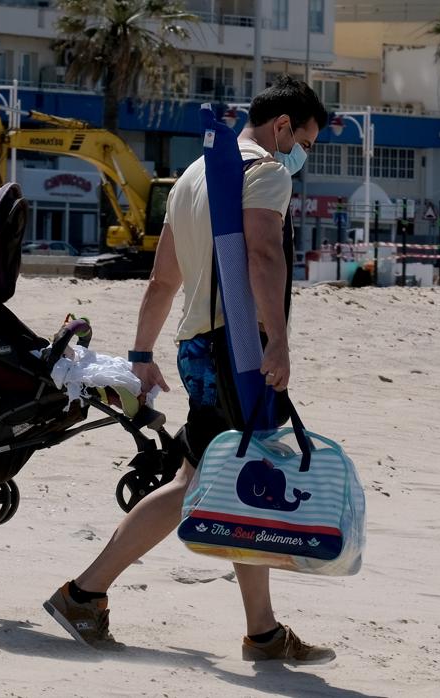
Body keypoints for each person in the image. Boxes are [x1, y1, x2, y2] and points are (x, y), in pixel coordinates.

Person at [43, 76, 335, 663]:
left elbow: (164, 279)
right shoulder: (265, 172)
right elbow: (263, 254)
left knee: (225, 479)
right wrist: (276, 341)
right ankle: (84, 593)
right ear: (283, 127)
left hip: (196, 346)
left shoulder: (196, 176)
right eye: (305, 139)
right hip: (238, 352)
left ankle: (263, 633)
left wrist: (143, 353)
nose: (302, 153)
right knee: (207, 482)